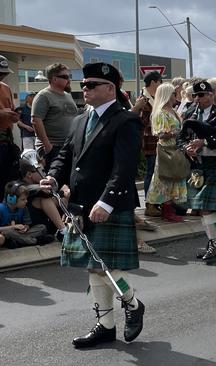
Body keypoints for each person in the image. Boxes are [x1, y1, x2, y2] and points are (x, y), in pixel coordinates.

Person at [41, 62, 145, 348]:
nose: (83, 89)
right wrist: (52, 176)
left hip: (107, 204)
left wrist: (106, 202)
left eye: (91, 85)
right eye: (83, 84)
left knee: (108, 267)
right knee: (94, 268)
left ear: (110, 88)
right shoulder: (79, 120)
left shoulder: (126, 121)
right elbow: (65, 156)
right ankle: (106, 325)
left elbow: (124, 169)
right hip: (80, 205)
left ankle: (133, 304)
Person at [179, 80, 216, 262]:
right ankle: (213, 243)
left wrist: (205, 142)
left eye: (201, 95)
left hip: (214, 162)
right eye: (195, 95)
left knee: (207, 209)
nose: (198, 98)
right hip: (197, 165)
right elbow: (181, 137)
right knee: (202, 208)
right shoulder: (190, 113)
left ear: (211, 95)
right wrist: (186, 148)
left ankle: (214, 244)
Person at [145, 83, 188, 222]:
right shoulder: (160, 113)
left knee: (172, 178)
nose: (176, 96)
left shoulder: (172, 111)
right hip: (166, 150)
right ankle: (166, 210)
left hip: (174, 149)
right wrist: (175, 133)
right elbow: (160, 133)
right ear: (167, 95)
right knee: (166, 179)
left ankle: (168, 208)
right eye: (173, 93)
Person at [31, 63, 78, 171]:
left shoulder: (68, 95)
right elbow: (36, 121)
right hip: (53, 147)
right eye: (65, 77)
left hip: (68, 146)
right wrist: (48, 146)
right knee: (52, 182)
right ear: (54, 79)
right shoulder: (43, 96)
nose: (69, 80)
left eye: (69, 76)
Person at [131, 70, 163, 217]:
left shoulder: (153, 97)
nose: (161, 84)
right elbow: (140, 122)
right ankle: (150, 205)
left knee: (155, 173)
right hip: (149, 141)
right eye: (159, 81)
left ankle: (154, 203)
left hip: (154, 141)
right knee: (150, 173)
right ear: (154, 82)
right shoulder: (143, 100)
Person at [0, 181, 51, 248]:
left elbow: (27, 225)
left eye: (26, 199)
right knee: (8, 232)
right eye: (23, 199)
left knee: (42, 227)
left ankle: (19, 242)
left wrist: (25, 228)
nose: (26, 201)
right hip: (6, 233)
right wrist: (14, 227)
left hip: (19, 234)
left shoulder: (24, 208)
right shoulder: (1, 209)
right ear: (12, 199)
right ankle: (34, 241)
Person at [0, 55, 21, 199]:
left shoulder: (6, 88)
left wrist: (14, 115)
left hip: (6, 140)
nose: (3, 75)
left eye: (4, 72)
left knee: (6, 179)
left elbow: (12, 111)